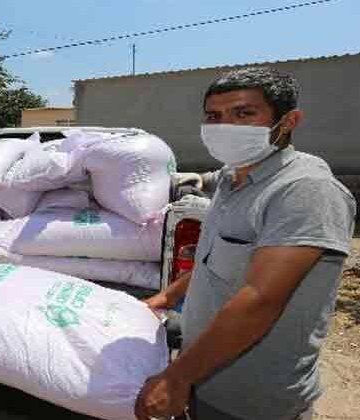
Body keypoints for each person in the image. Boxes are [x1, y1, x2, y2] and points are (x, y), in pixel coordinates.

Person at [135, 67, 356, 420]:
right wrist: (166, 297)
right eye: (214, 116)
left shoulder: (305, 190)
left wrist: (176, 378)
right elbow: (218, 259)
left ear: (288, 121)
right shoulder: (232, 176)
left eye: (243, 113)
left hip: (252, 399)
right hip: (202, 375)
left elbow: (259, 300)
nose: (225, 126)